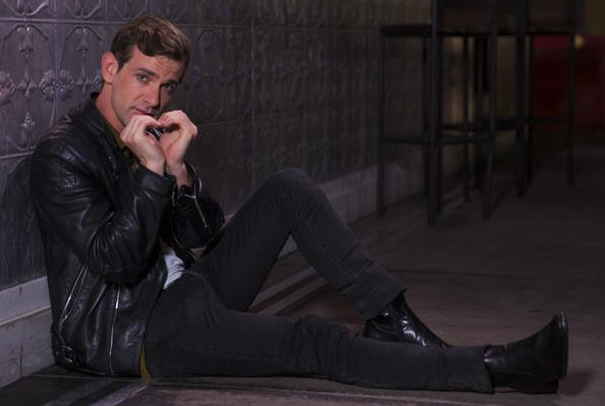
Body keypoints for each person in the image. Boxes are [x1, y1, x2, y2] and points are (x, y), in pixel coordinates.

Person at [30, 15, 567, 394]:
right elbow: (118, 263)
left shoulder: (145, 131)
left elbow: (202, 235)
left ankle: (389, 316)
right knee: (313, 340)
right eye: (143, 78)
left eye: (168, 86)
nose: (154, 99)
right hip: (138, 330)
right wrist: (151, 173)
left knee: (289, 187)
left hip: (186, 286)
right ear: (110, 67)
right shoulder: (64, 153)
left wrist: (178, 171)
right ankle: (497, 366)